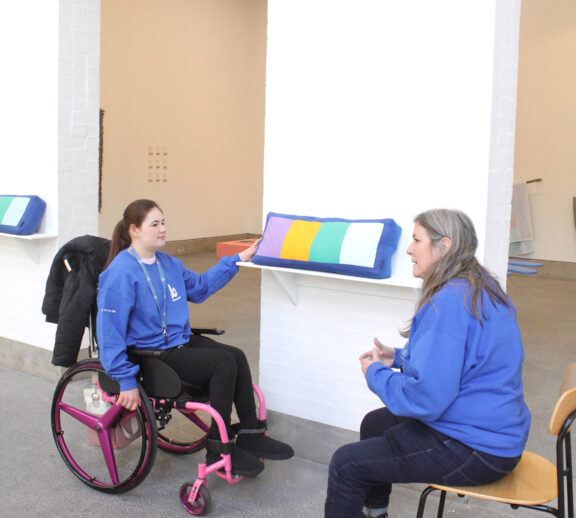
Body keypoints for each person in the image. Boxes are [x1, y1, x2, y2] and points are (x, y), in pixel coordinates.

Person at [324, 209, 531, 518]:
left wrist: (376, 374)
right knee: (374, 425)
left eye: (417, 240)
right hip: (498, 434)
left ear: (443, 246)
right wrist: (399, 357)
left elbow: (426, 399)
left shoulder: (448, 303)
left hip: (477, 449)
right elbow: (460, 359)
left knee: (346, 464)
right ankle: (376, 512)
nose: (409, 249)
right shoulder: (479, 285)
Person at [97, 199, 293, 478]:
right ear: (134, 230)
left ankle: (251, 434)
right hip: (152, 354)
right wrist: (125, 380)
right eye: (155, 224)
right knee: (223, 363)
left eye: (163, 222)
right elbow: (109, 332)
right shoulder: (119, 272)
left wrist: (237, 259)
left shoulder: (168, 263)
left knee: (236, 355)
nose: (163, 229)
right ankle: (218, 448)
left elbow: (200, 288)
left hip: (178, 343)